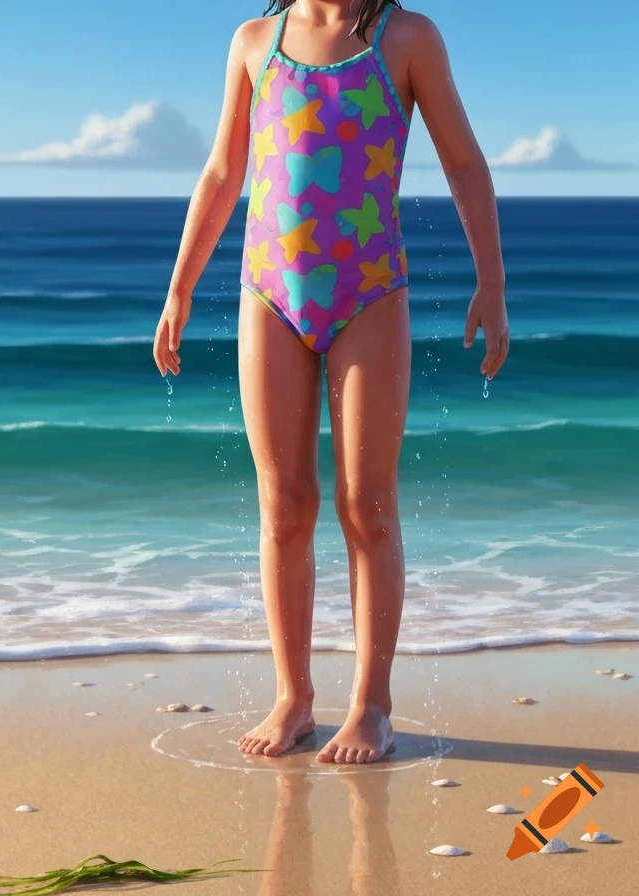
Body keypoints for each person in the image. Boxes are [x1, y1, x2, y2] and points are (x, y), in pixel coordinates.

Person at [153, 0, 508, 764]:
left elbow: (463, 163)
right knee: (284, 505)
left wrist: (493, 282)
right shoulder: (256, 42)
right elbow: (224, 169)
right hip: (269, 292)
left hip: (368, 291)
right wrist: (180, 288)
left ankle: (372, 706)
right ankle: (293, 697)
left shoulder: (406, 38)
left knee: (367, 505)